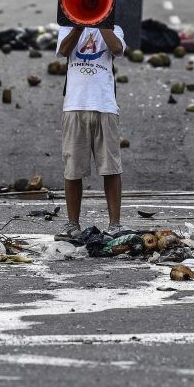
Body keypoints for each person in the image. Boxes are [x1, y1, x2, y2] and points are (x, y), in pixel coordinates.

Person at [53, 22, 127, 241]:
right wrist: (79, 25)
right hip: (74, 105)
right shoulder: (67, 28)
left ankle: (115, 224)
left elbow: (117, 49)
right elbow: (64, 50)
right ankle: (72, 224)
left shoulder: (115, 29)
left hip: (105, 105)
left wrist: (100, 22)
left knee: (111, 167)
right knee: (73, 168)